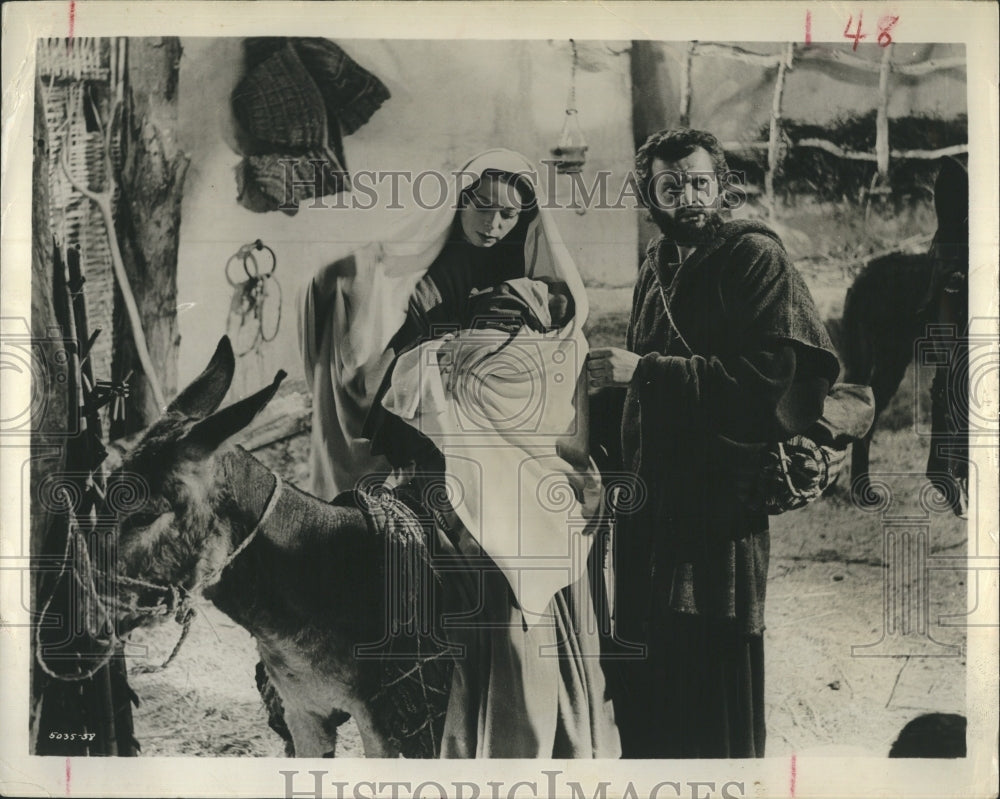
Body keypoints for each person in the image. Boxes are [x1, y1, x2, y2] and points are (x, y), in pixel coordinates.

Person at [303, 150, 619, 758]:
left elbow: (560, 360)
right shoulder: (428, 276)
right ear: (460, 202)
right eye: (484, 207)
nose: (494, 225)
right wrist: (436, 363)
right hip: (438, 439)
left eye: (509, 214)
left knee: (537, 532)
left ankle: (545, 720)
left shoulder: (542, 281)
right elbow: (393, 355)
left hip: (523, 441)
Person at [587, 129, 840, 758]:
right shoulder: (657, 266)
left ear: (722, 187)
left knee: (711, 680)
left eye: (700, 183)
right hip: (650, 510)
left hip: (718, 510)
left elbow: (768, 386)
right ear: (650, 195)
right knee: (648, 680)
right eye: (671, 186)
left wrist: (644, 371)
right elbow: (633, 389)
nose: (689, 198)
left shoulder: (754, 259)